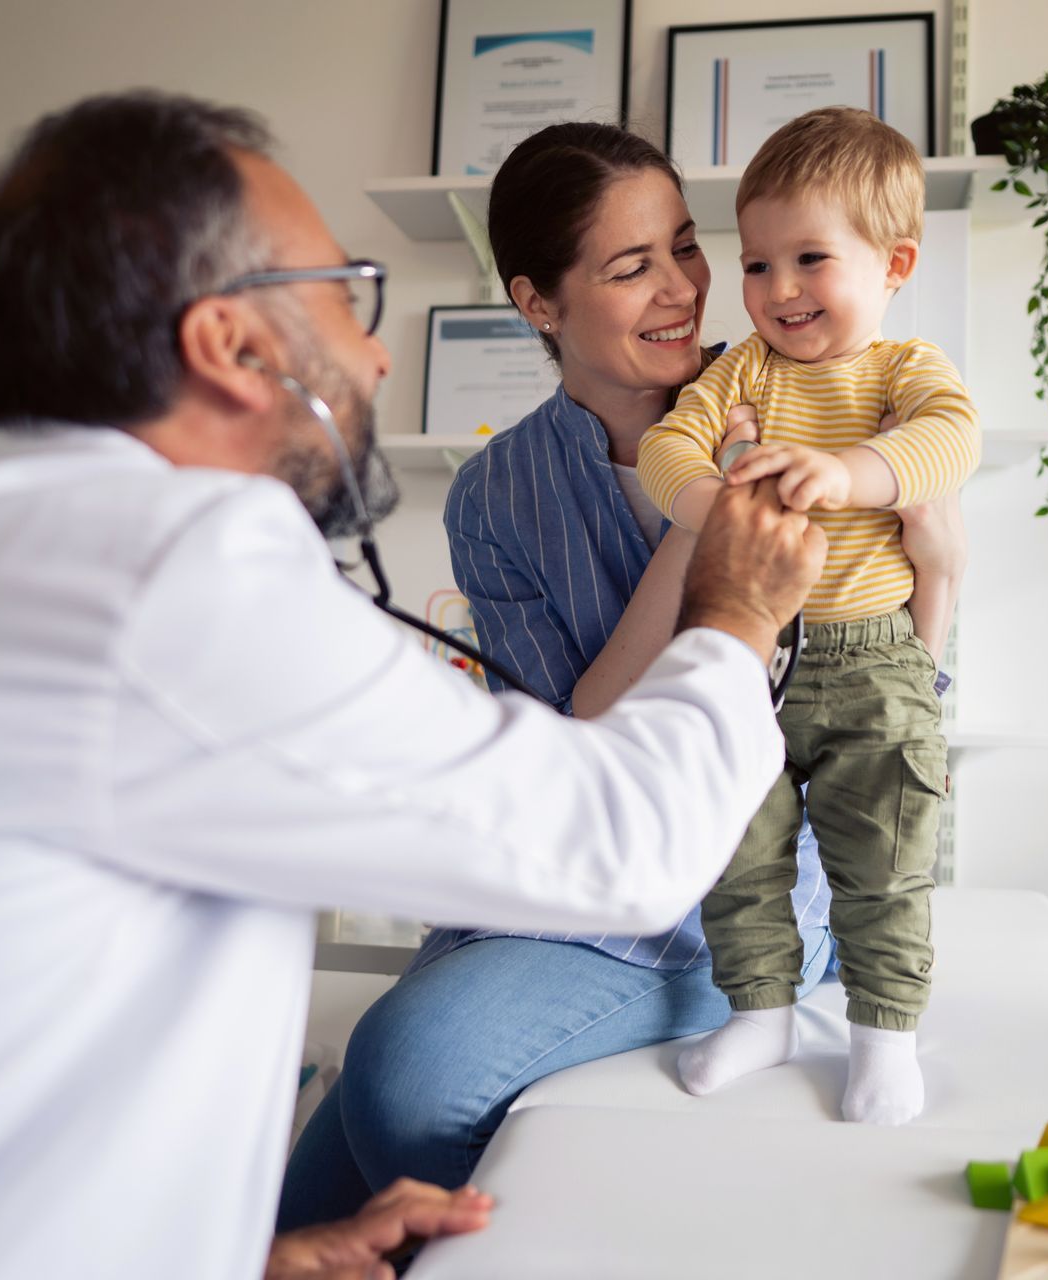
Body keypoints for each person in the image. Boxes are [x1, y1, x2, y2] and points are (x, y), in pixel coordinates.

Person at [0, 93, 824, 1280]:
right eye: (342, 293)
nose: (373, 351)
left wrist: (237, 1253)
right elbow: (624, 842)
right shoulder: (165, 579)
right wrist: (734, 604)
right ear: (230, 343)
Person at [276, 121, 848, 1233]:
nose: (685, 286)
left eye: (685, 245)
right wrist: (704, 521)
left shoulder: (805, 412)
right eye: (632, 267)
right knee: (287, 1211)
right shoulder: (499, 491)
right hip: (564, 863)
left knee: (404, 1072)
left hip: (741, 890)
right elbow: (573, 740)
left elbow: (861, 699)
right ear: (540, 303)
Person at [637, 107, 983, 1125]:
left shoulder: (902, 370)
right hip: (754, 651)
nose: (778, 289)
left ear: (893, 262)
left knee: (885, 853)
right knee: (741, 845)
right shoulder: (740, 371)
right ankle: (760, 1010)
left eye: (809, 259)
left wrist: (850, 468)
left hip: (875, 654)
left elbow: (949, 441)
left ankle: (883, 1033)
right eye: (755, 263)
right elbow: (671, 450)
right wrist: (718, 507)